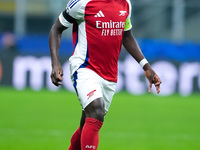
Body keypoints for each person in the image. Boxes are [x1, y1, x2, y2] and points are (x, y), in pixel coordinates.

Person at [49, 0, 162, 149]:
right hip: (84, 67)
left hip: (109, 75)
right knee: (96, 111)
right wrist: (55, 63)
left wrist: (146, 66)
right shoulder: (82, 3)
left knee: (87, 124)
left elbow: (127, 36)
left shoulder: (125, 4)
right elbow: (56, 29)